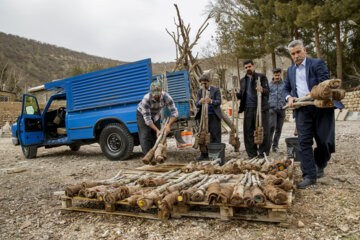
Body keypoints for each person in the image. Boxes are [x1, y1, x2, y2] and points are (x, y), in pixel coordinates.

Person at [283, 39, 335, 189]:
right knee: (304, 142)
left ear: (304, 50)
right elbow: (286, 89)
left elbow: (325, 83)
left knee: (324, 140)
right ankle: (309, 176)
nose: (296, 55)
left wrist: (313, 93)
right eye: (293, 54)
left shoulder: (317, 64)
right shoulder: (291, 71)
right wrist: (290, 97)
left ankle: (320, 163)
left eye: (298, 52)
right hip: (302, 110)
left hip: (320, 107)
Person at [233, 59, 270, 158]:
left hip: (260, 108)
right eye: (246, 67)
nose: (248, 69)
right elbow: (241, 95)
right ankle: (252, 154)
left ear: (253, 66)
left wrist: (262, 89)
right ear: (244, 69)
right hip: (248, 108)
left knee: (263, 130)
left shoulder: (261, 77)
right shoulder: (243, 80)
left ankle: (263, 153)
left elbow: (267, 91)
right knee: (248, 132)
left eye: (249, 66)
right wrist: (235, 94)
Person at [136, 81, 178, 155]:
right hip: (143, 115)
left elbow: (175, 113)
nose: (156, 96)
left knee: (157, 135)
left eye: (158, 94)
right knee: (145, 135)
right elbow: (147, 119)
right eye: (154, 94)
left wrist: (168, 126)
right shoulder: (146, 99)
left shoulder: (166, 97)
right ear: (151, 92)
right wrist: (157, 130)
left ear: (161, 90)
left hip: (155, 114)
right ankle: (148, 157)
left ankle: (157, 155)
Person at [195, 74, 222, 160]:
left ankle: (216, 153)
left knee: (215, 134)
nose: (204, 86)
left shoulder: (215, 90)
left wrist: (211, 101)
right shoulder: (200, 91)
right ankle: (204, 154)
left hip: (214, 115)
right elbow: (197, 104)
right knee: (203, 135)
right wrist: (200, 102)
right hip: (203, 116)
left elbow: (219, 101)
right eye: (202, 84)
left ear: (209, 82)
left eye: (205, 84)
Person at [268, 68, 286, 153]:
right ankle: (268, 145)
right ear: (273, 75)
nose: (277, 77)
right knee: (272, 127)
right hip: (272, 109)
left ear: (280, 75)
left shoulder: (285, 85)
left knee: (279, 128)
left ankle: (275, 146)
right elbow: (266, 96)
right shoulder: (269, 85)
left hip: (282, 109)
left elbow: (287, 94)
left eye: (278, 75)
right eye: (275, 75)